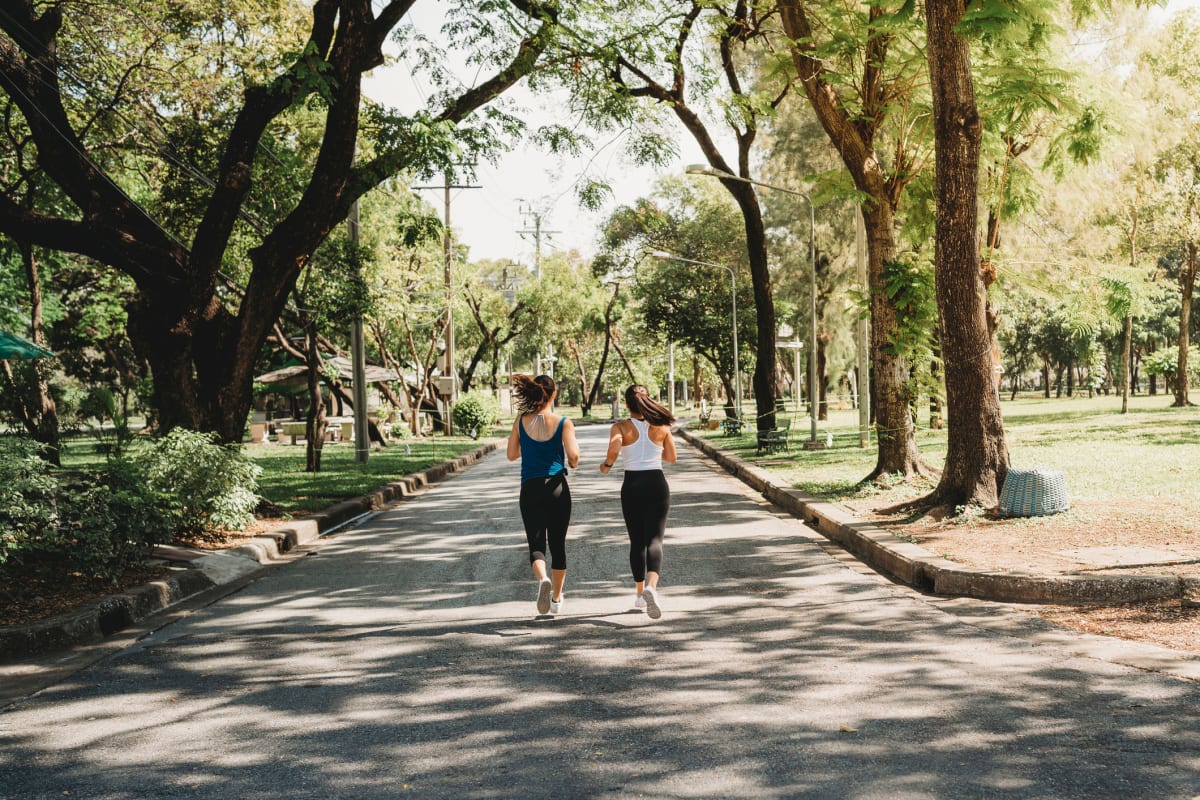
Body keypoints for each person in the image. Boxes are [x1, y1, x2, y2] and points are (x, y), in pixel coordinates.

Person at [599, 384, 677, 619]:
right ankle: (653, 587)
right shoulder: (661, 427)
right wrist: (655, 449)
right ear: (648, 401)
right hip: (656, 482)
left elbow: (614, 448)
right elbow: (671, 457)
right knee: (655, 539)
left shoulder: (620, 427)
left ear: (626, 405)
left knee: (637, 541)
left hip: (632, 485)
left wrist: (607, 465)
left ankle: (640, 592)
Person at [506, 374, 580, 615]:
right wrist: (569, 458)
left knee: (536, 544)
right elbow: (574, 457)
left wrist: (530, 445)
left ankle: (542, 580)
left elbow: (511, 454)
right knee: (558, 545)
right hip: (557, 487)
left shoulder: (521, 421)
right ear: (554, 394)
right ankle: (557, 599)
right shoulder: (563, 422)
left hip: (530, 488)